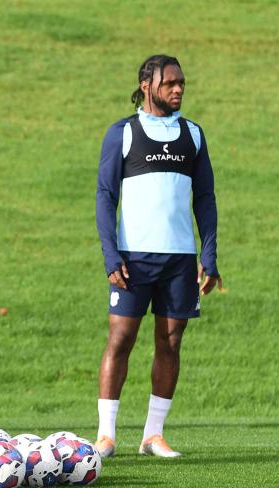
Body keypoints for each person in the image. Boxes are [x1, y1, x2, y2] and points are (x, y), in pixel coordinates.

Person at [93, 54, 223, 459]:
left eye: (181, 82)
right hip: (133, 257)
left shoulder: (193, 135)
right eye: (170, 83)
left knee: (171, 341)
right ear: (147, 85)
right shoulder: (123, 133)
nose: (178, 89)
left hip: (179, 259)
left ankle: (153, 435)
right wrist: (111, 256)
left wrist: (209, 255)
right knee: (121, 338)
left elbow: (205, 198)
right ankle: (106, 436)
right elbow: (105, 196)